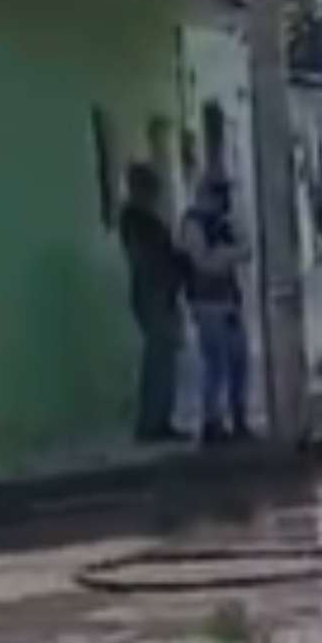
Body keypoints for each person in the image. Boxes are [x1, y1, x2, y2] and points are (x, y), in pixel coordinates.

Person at [179, 174, 252, 444]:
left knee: (239, 362)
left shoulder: (222, 223)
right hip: (207, 302)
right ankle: (212, 423)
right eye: (220, 195)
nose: (225, 201)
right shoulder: (193, 224)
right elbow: (204, 263)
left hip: (230, 300)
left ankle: (239, 419)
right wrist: (227, 254)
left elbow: (245, 250)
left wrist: (226, 252)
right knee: (216, 365)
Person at [118, 163, 185, 443]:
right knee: (159, 360)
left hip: (158, 293)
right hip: (153, 293)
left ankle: (159, 421)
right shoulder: (137, 221)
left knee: (164, 359)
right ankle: (152, 424)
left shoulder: (142, 220)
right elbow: (146, 261)